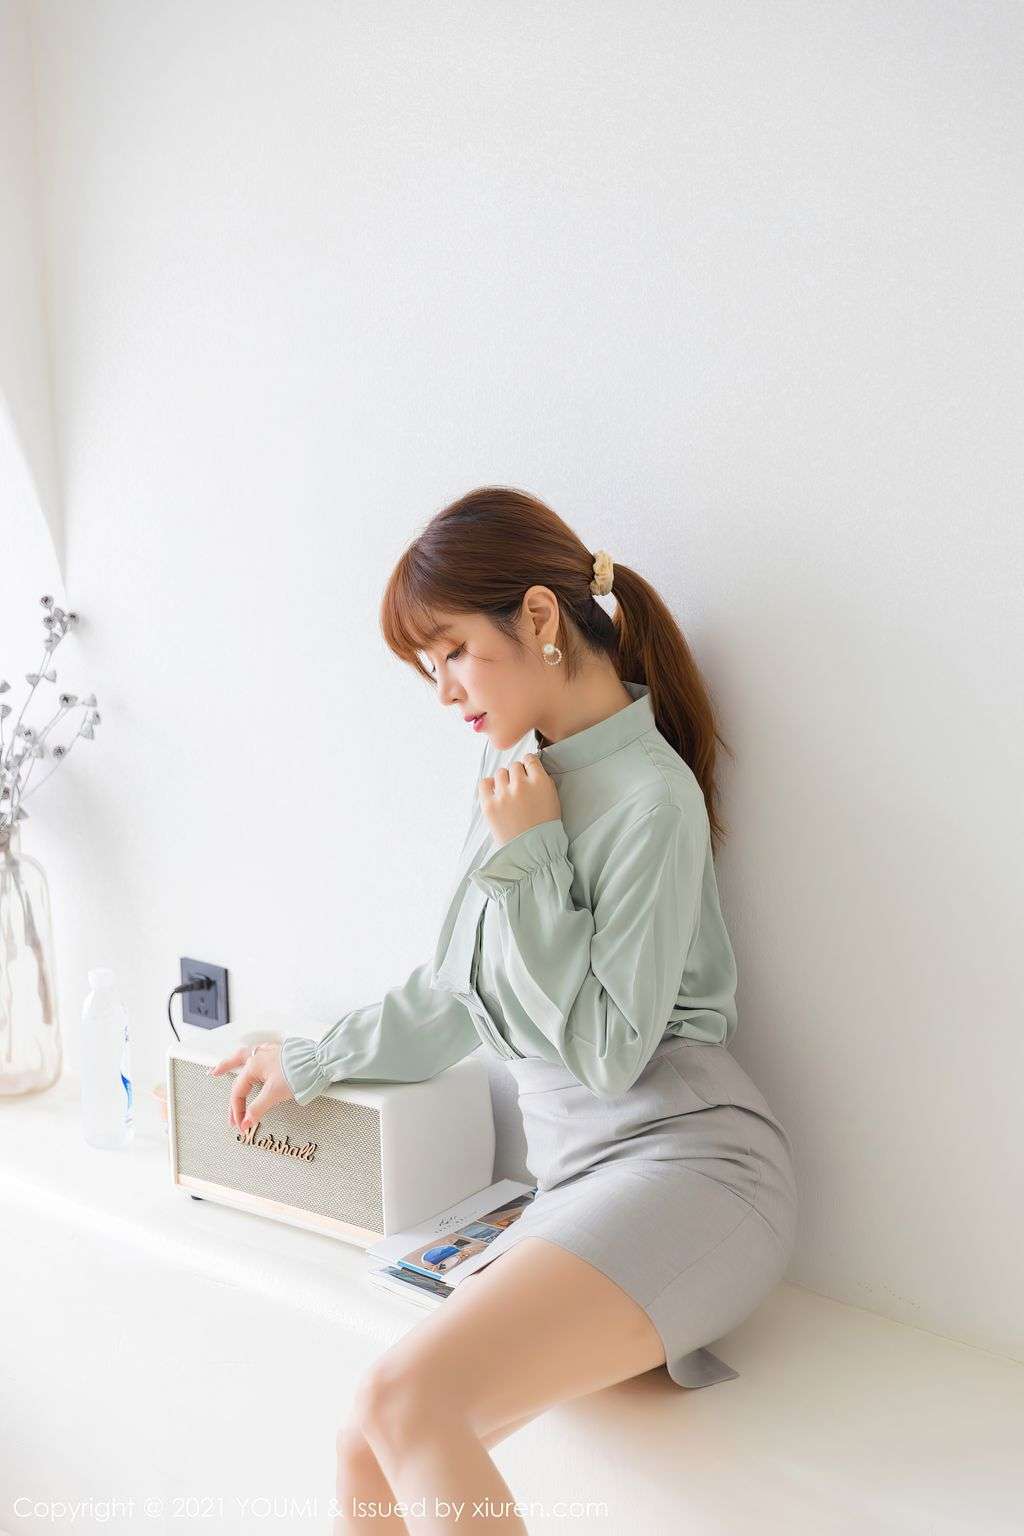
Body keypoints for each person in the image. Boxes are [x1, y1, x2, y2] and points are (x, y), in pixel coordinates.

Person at [209, 485, 799, 1534]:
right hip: (576, 1184)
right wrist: (308, 1060)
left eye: (453, 653)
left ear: (536, 617)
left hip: (695, 1171)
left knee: (404, 1402)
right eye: (427, 666)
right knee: (364, 1439)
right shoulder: (511, 768)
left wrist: (533, 857)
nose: (443, 691)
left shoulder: (651, 800)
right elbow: (463, 990)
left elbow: (610, 1055)